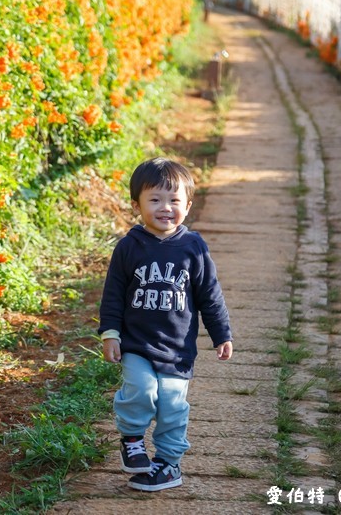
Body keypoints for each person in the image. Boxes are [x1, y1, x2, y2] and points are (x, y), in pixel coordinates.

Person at [98, 157, 233, 492]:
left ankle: (168, 464)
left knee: (172, 407)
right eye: (154, 200)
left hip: (177, 350)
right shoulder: (129, 247)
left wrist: (221, 335)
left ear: (187, 205)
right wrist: (110, 334)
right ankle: (132, 438)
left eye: (174, 201)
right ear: (137, 205)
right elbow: (113, 294)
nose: (165, 208)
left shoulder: (194, 249)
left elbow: (210, 297)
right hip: (137, 345)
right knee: (141, 392)